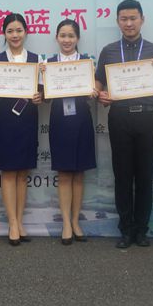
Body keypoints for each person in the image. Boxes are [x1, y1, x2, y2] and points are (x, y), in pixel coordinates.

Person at [95, 0, 153, 248]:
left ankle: (141, 230)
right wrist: (100, 94)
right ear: (118, 21)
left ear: (142, 20)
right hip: (119, 117)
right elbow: (98, 83)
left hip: (147, 117)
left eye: (133, 18)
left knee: (145, 175)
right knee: (123, 175)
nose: (129, 23)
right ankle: (126, 230)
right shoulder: (108, 51)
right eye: (124, 19)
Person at [0, 13, 43, 246]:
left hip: (28, 117)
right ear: (4, 33)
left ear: (26, 32)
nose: (15, 35)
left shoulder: (36, 59)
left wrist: (40, 97)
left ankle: (20, 221)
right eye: (10, 31)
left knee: (23, 173)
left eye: (19, 30)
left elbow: (42, 90)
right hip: (5, 117)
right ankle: (12, 222)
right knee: (8, 171)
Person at [45, 19, 97, 245]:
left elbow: (93, 90)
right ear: (56, 38)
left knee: (79, 173)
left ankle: (76, 221)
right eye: (63, 35)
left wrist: (93, 91)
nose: (67, 40)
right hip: (59, 120)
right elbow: (44, 97)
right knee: (64, 173)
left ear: (77, 38)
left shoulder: (86, 63)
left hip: (81, 119)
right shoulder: (48, 64)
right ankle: (66, 223)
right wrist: (41, 90)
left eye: (71, 36)